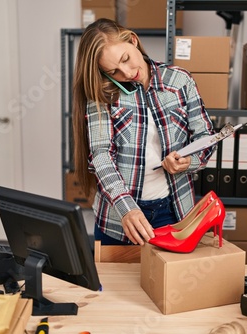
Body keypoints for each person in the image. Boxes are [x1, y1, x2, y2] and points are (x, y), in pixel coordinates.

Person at [72, 18, 215, 246]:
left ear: (133, 41)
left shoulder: (180, 80)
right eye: (114, 71)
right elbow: (101, 155)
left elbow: (206, 139)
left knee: (169, 282)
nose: (127, 73)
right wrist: (126, 208)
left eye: (126, 59)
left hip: (175, 212)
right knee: (116, 282)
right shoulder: (102, 94)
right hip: (119, 219)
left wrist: (188, 162)